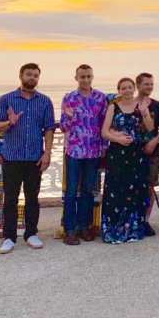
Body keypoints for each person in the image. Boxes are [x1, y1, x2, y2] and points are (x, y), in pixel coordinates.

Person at [0, 63, 56, 254]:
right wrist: (9, 123)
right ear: (21, 75)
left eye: (36, 75)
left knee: (32, 197)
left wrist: (47, 153)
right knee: (10, 198)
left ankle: (31, 233)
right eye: (29, 74)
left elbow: (49, 128)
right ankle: (9, 237)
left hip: (34, 157)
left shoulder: (44, 101)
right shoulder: (6, 99)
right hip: (12, 156)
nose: (32, 78)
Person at [100, 78, 154, 243]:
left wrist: (145, 113)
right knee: (116, 190)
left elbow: (150, 128)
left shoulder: (141, 106)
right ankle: (113, 228)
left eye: (130, 87)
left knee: (136, 191)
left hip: (136, 155)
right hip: (117, 154)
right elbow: (104, 132)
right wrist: (117, 139)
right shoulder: (113, 107)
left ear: (134, 88)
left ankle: (133, 228)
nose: (127, 90)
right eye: (124, 88)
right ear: (119, 90)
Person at [59, 64, 108, 244]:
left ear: (92, 77)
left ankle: (84, 227)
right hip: (74, 151)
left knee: (88, 191)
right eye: (82, 77)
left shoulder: (100, 98)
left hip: (93, 151)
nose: (85, 80)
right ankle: (69, 230)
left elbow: (104, 123)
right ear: (76, 78)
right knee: (71, 191)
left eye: (88, 76)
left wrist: (104, 145)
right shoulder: (69, 98)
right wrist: (70, 117)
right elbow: (63, 127)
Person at [135, 72, 159, 236]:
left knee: (150, 187)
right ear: (138, 85)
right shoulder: (130, 104)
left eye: (151, 84)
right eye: (146, 84)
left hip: (153, 152)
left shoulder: (157, 105)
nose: (149, 87)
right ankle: (133, 218)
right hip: (133, 153)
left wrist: (155, 141)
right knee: (133, 186)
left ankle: (145, 220)